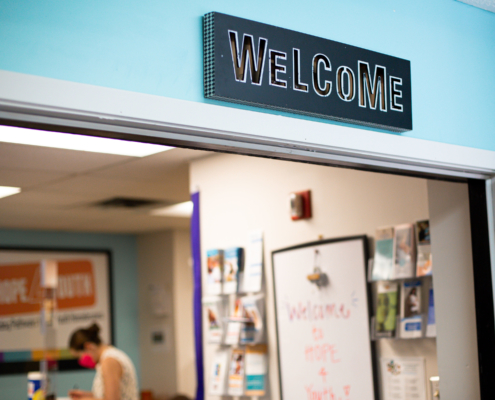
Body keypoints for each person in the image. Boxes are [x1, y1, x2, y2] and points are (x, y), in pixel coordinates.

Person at [68, 323, 138, 400]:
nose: (81, 361)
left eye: (79, 357)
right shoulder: (109, 357)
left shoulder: (109, 361)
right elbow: (106, 395)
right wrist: (86, 395)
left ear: (88, 346)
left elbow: (112, 399)